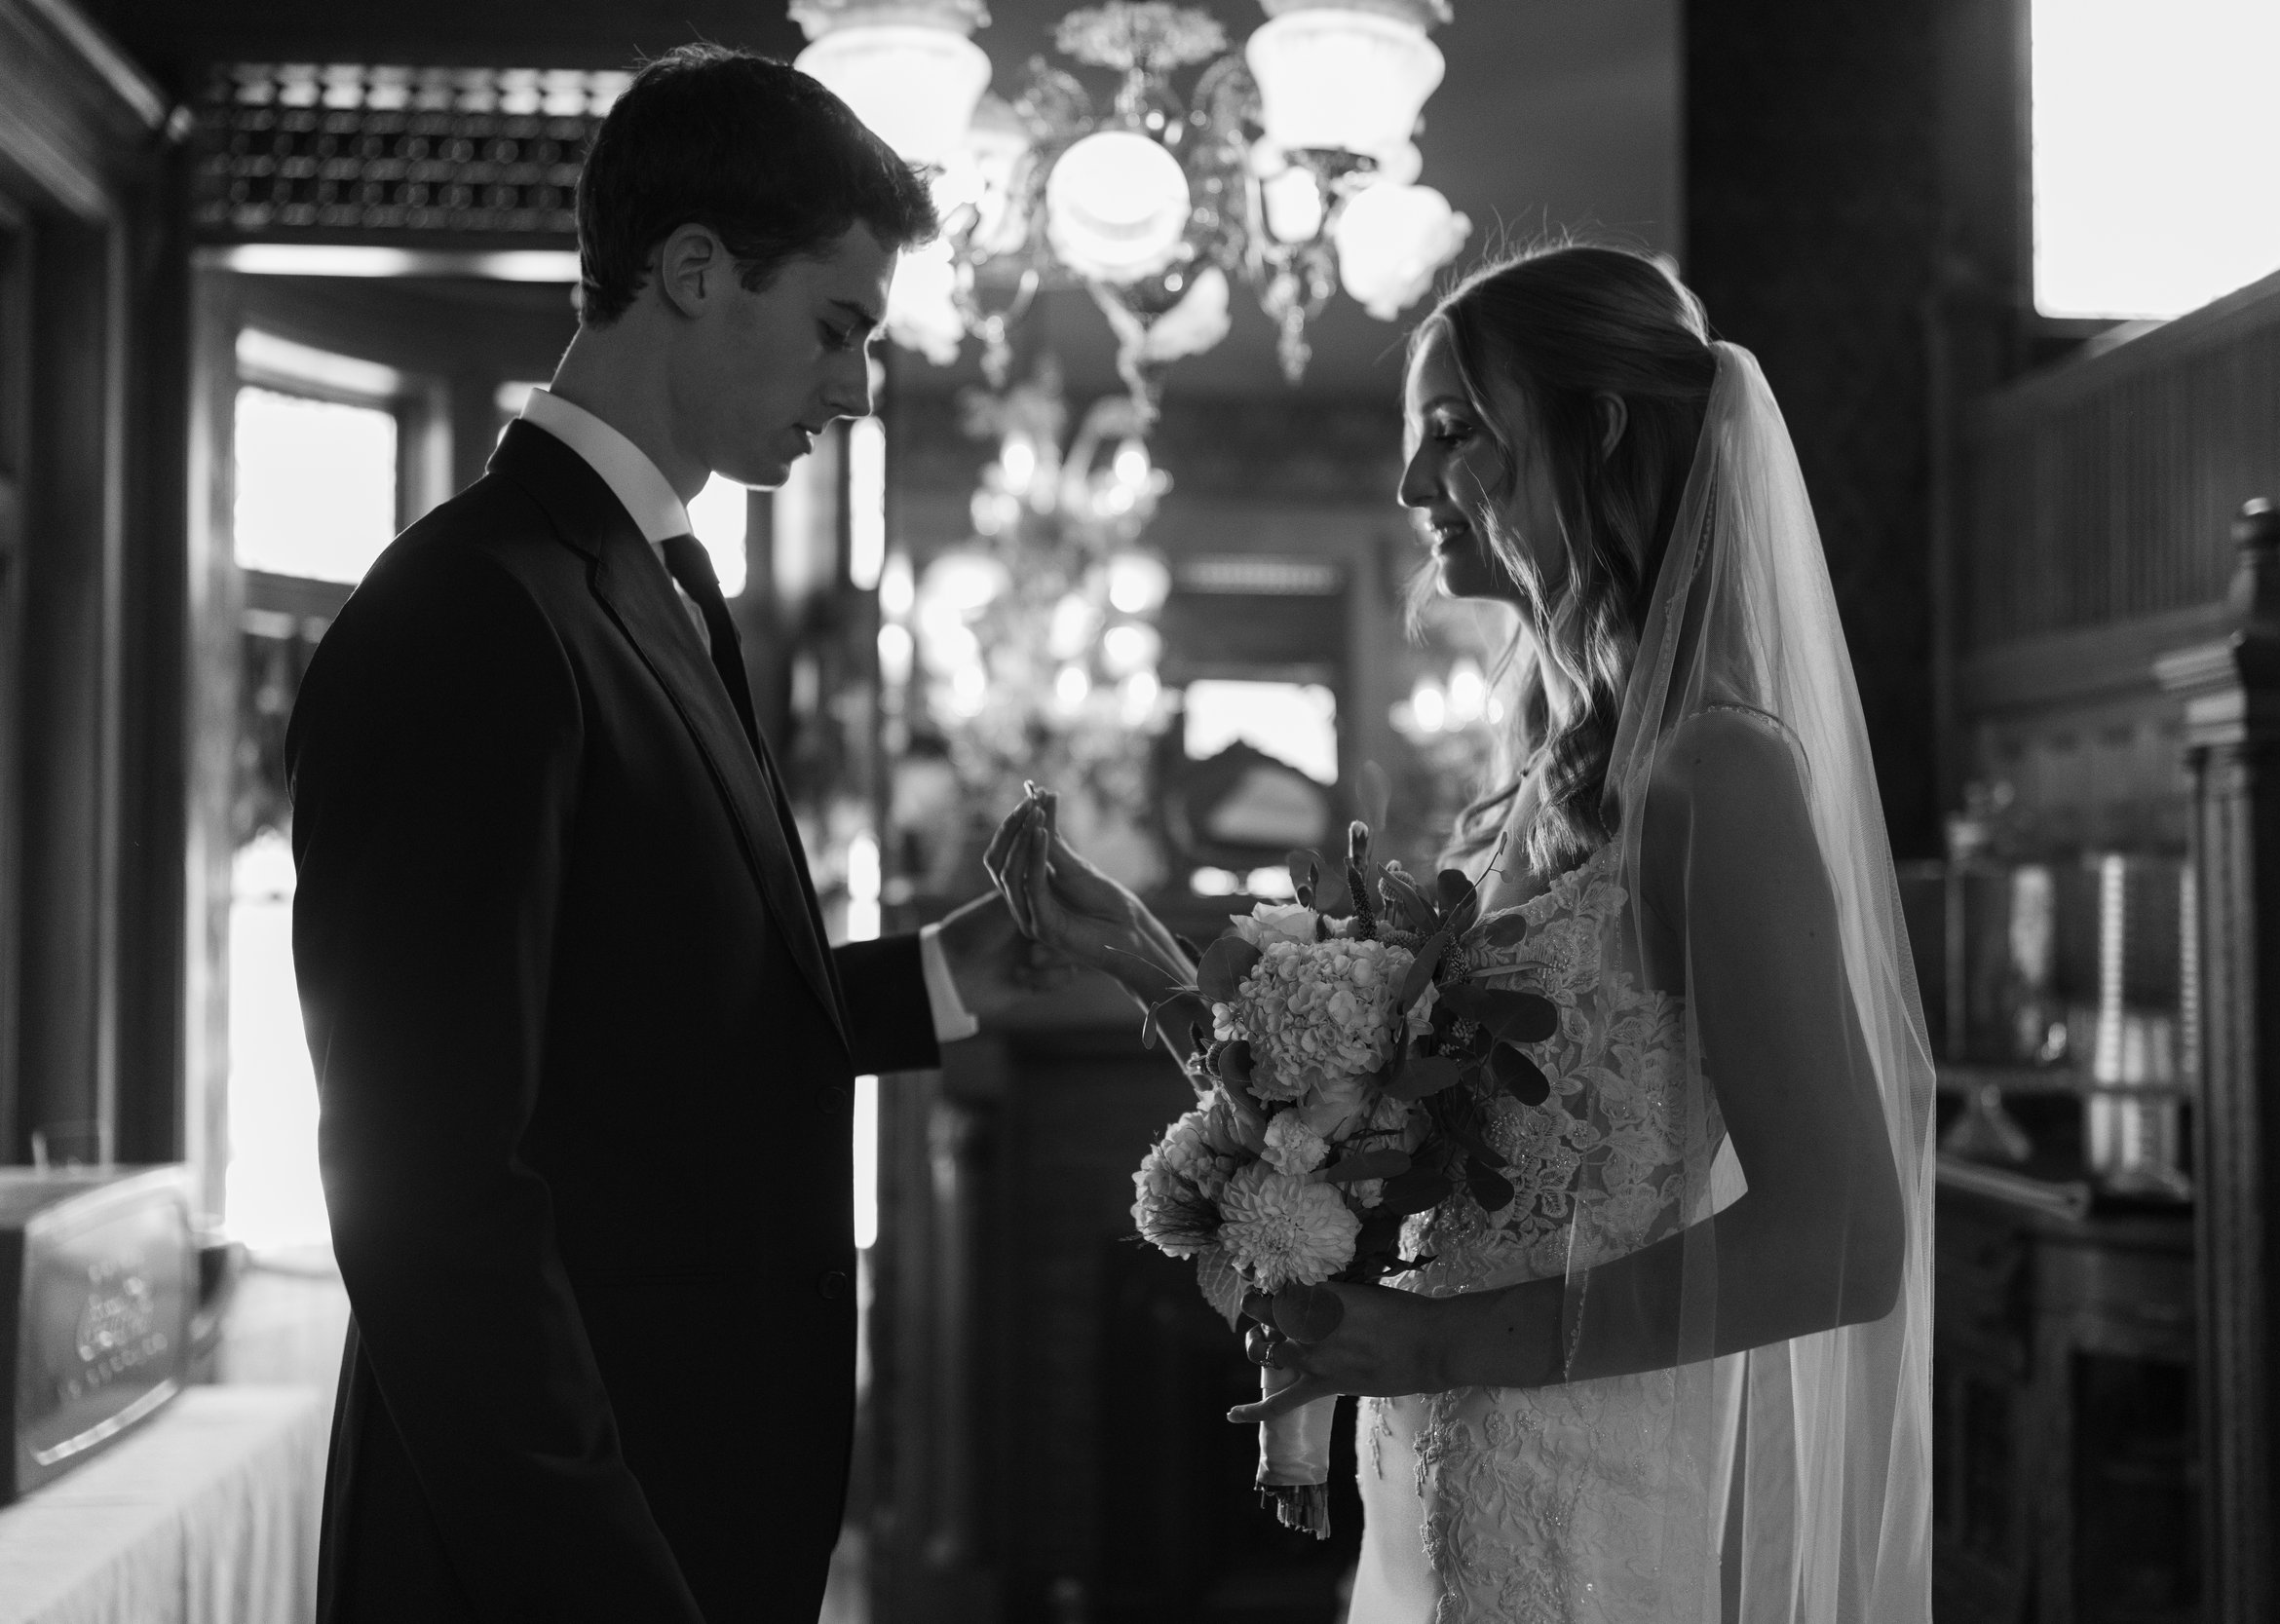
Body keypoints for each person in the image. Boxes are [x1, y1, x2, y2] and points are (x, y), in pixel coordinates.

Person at [989, 245, 1934, 1622]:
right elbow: (1412, 1142)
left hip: (1583, 1511)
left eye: (1454, 432)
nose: (1413, 483)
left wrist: (1433, 1343)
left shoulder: (1718, 771)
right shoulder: (1536, 782)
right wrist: (1144, 957)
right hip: (1439, 1474)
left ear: (1597, 429)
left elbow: (1844, 1241)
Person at [286, 46, 1044, 1623]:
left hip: (690, 1507)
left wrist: (947, 974)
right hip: (544, 1561)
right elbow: (428, 1187)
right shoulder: (473, 611)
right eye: (839, 328)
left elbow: (648, 1026)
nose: (855, 387)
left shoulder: (646, 584)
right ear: (693, 271)